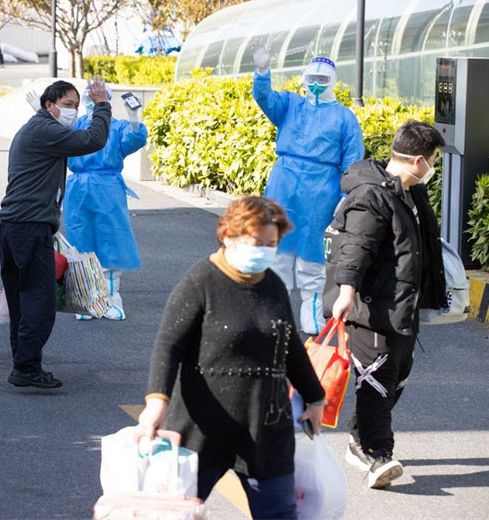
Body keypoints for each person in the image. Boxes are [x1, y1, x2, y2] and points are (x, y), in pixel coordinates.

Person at [139, 196, 326, 518]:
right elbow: (169, 344)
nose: (264, 251)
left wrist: (315, 398)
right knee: (175, 512)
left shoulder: (274, 285)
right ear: (228, 236)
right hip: (203, 428)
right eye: (257, 242)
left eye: (271, 244)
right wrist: (157, 401)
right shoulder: (200, 282)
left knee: (280, 514)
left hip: (265, 427)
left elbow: (290, 344)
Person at [325, 120, 447, 489]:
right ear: (419, 160)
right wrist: (346, 292)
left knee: (395, 379)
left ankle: (360, 439)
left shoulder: (409, 192)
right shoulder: (371, 196)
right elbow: (355, 247)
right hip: (369, 307)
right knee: (377, 381)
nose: (435, 166)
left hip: (400, 306)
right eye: (435, 159)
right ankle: (378, 454)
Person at [0, 78, 112, 389]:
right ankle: (25, 366)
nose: (73, 111)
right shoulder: (45, 130)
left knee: (23, 300)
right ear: (49, 105)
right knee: (40, 301)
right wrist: (101, 104)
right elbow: (92, 141)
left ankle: (24, 365)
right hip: (29, 227)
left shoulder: (39, 127)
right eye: (68, 105)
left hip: (16, 225)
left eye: (77, 105)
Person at [252, 45, 364, 336]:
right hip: (284, 185)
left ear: (333, 81)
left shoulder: (345, 118)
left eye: (322, 79)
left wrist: (344, 197)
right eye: (311, 78)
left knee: (312, 255)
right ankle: (273, 311)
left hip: (321, 192)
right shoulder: (289, 104)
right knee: (277, 250)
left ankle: (310, 313)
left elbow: (352, 160)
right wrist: (263, 73)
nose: (315, 85)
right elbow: (264, 98)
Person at [62, 84, 147, 321]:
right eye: (88, 95)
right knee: (80, 243)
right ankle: (85, 300)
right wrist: (45, 118)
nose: (92, 99)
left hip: (107, 189)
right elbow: (54, 139)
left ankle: (110, 300)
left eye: (98, 95)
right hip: (78, 190)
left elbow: (135, 139)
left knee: (111, 242)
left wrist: (134, 118)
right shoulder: (75, 125)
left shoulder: (117, 126)